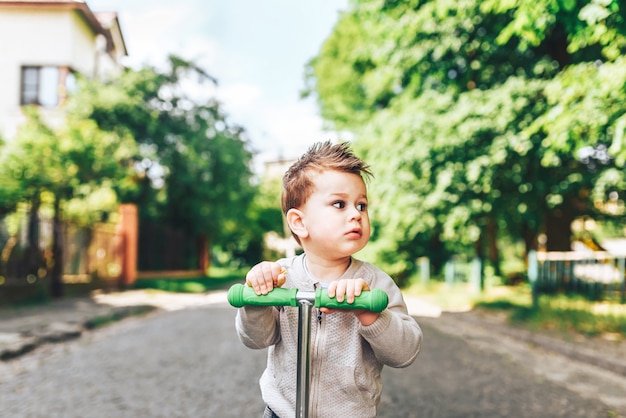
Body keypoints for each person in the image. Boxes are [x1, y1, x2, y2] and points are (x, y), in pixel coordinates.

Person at [235, 140, 422, 418]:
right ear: (299, 222)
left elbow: (405, 352)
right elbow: (256, 339)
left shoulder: (375, 284)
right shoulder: (280, 277)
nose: (355, 215)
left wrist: (370, 315)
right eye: (339, 204)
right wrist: (257, 299)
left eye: (361, 205)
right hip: (281, 412)